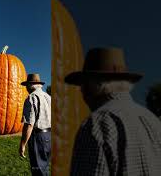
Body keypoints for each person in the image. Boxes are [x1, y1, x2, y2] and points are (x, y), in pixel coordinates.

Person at [65, 47, 161, 175]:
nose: (81, 90)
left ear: (93, 85)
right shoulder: (152, 120)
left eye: (83, 84)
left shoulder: (97, 125)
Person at [19, 73, 51, 176]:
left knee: (38, 170)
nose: (26, 88)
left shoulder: (31, 98)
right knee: (44, 167)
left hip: (38, 138)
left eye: (27, 86)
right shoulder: (48, 97)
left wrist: (22, 144)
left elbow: (29, 125)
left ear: (31, 85)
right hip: (50, 136)